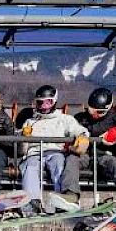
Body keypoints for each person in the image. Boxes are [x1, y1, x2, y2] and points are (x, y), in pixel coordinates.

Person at [20, 85, 89, 215]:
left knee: (59, 164)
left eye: (48, 102)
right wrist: (24, 136)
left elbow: (78, 129)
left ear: (55, 102)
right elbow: (22, 148)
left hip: (55, 151)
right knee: (30, 166)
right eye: (40, 103)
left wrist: (82, 136)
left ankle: (62, 199)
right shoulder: (30, 121)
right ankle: (33, 200)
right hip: (35, 153)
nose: (44, 107)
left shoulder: (64, 119)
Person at [74, 87, 116, 202]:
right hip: (83, 154)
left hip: (103, 155)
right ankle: (68, 197)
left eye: (100, 112)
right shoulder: (80, 118)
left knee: (114, 164)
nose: (95, 115)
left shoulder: (115, 118)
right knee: (70, 161)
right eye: (92, 110)